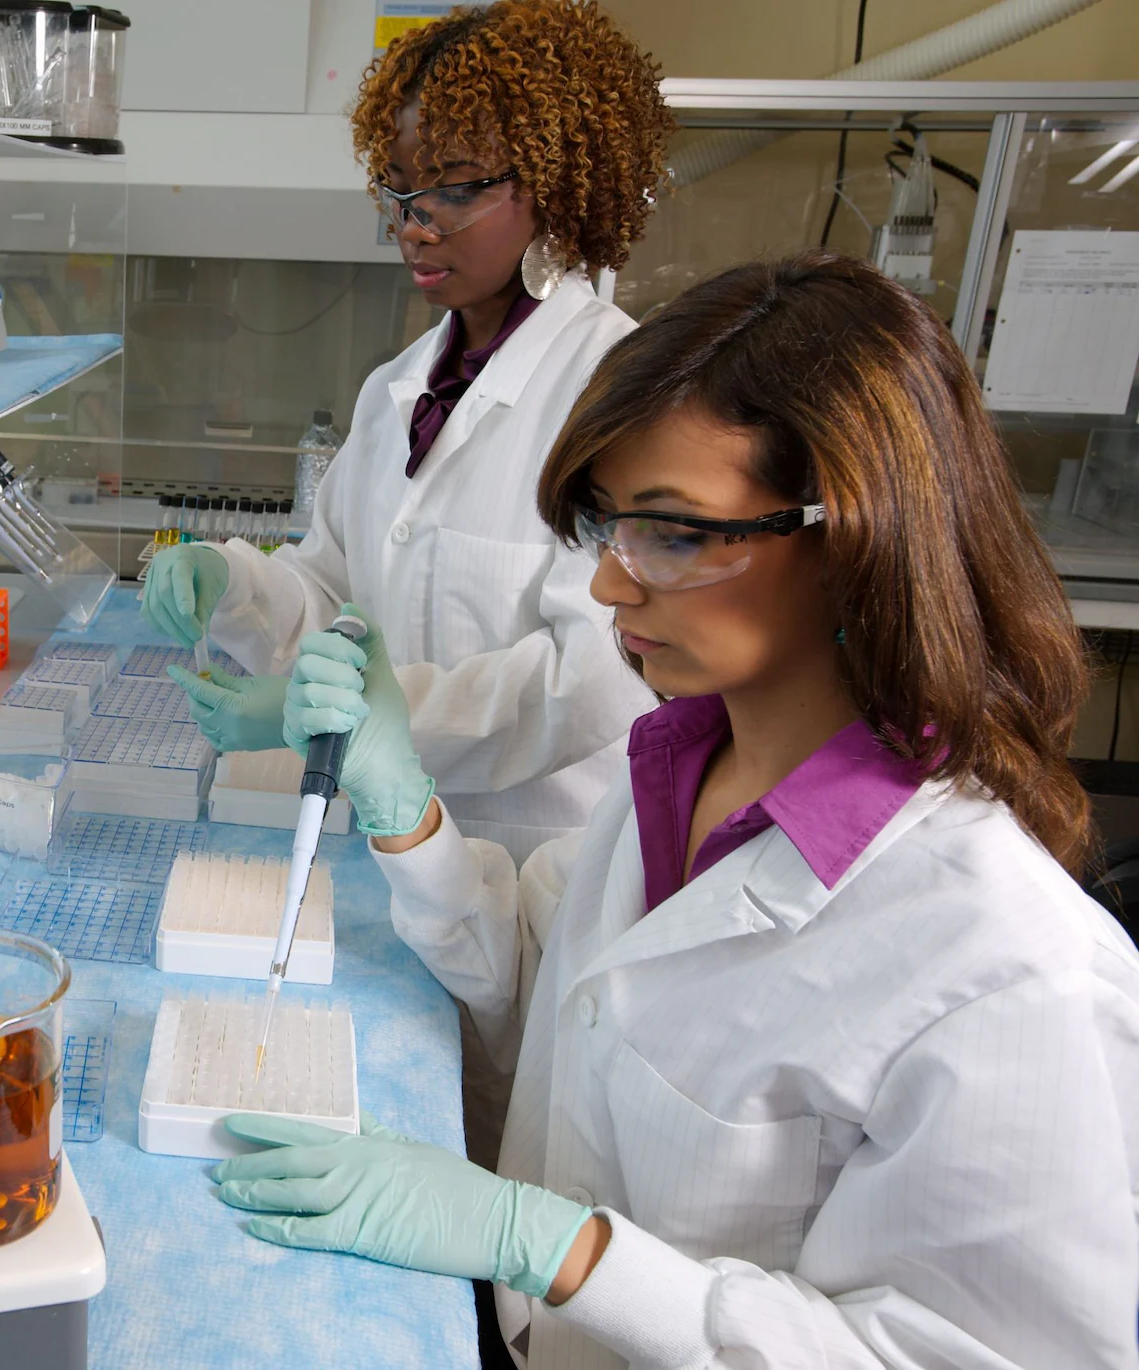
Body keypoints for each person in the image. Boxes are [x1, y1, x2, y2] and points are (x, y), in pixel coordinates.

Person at [208, 253, 1139, 1368]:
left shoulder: (1015, 970)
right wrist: (403, 810)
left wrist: (563, 1253)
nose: (610, 584)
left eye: (676, 534)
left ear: (857, 537)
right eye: (606, 527)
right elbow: (560, 997)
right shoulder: (684, 765)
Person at [143, 0, 672, 864]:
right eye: (399, 189)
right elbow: (335, 594)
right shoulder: (399, 385)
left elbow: (596, 679)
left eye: (457, 188)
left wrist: (367, 718)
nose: (416, 224)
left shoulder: (619, 393)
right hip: (389, 847)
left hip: (541, 858)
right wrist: (232, 584)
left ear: (553, 185)